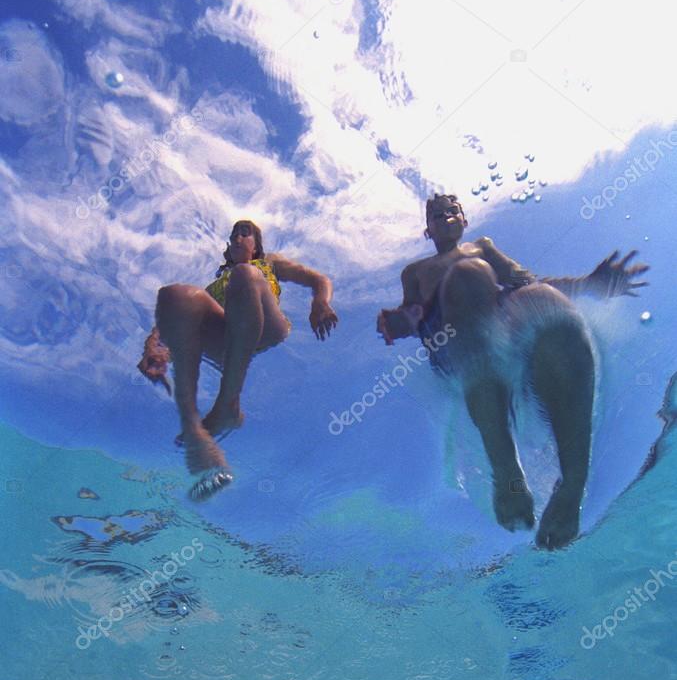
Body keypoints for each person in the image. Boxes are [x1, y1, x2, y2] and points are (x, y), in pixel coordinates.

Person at [377, 193, 649, 549]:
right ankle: (506, 468)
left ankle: (572, 483)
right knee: (466, 275)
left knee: (544, 300)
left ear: (464, 220)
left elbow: (529, 282)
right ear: (426, 230)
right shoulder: (414, 272)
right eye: (435, 214)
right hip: (458, 348)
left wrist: (589, 284)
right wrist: (397, 322)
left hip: (509, 332)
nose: (444, 216)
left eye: (451, 211)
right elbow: (412, 316)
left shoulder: (483, 246)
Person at [138, 219, 338, 500]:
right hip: (228, 339)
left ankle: (227, 405)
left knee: (244, 276)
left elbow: (319, 280)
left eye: (245, 233)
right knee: (175, 295)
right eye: (233, 235)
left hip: (267, 326)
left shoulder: (268, 264)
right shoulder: (215, 286)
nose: (238, 238)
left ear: (257, 245)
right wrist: (154, 348)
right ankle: (204, 447)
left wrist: (320, 302)